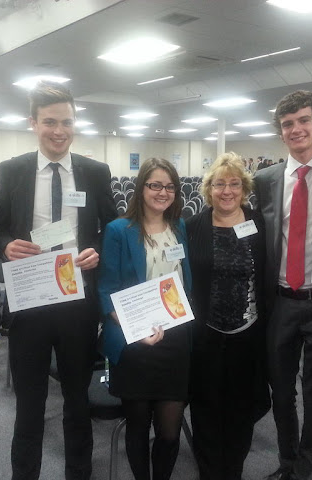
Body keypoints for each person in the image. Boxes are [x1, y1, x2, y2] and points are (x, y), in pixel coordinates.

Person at [0, 81, 117, 480]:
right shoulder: (14, 169)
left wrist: (98, 250)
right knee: (30, 404)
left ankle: (79, 472)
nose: (59, 131)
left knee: (77, 401)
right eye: (49, 122)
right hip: (30, 299)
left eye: (66, 122)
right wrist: (6, 245)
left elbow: (112, 226)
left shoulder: (95, 172)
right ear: (33, 123)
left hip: (78, 302)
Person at [97, 157, 191, 480]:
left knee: (169, 433)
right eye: (155, 185)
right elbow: (107, 289)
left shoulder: (179, 228)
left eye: (170, 187)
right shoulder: (119, 231)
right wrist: (135, 330)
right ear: (141, 188)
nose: (163, 192)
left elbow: (185, 283)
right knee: (138, 427)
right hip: (134, 342)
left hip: (175, 342)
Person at [254, 90, 312, 480]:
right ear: (280, 132)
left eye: (303, 120)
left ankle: (308, 468)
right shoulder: (265, 179)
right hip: (281, 300)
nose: (296, 129)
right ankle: (287, 463)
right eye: (287, 124)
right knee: (281, 390)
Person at [186, 152, 270, 480]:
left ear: (244, 189)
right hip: (206, 333)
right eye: (219, 184)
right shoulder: (194, 226)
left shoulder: (258, 223)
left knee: (241, 407)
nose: (227, 191)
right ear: (209, 189)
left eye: (235, 184)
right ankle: (209, 471)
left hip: (248, 332)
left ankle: (233, 469)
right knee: (205, 406)